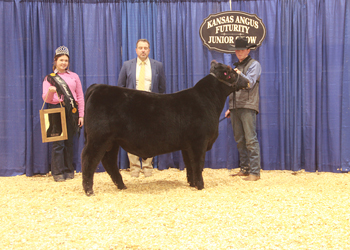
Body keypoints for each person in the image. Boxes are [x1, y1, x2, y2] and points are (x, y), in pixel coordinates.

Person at [117, 39, 166, 178]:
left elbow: (162, 88)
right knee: (130, 136)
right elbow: (121, 87)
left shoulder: (158, 66)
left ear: (149, 50)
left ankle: (148, 166)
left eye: (146, 48)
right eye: (140, 48)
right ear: (136, 50)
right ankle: (134, 167)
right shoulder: (127, 65)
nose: (143, 50)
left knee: (151, 135)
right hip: (132, 107)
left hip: (151, 106)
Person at [42, 46, 85, 182]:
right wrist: (52, 93)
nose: (63, 63)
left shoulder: (74, 76)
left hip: (72, 111)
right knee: (58, 143)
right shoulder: (49, 78)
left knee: (69, 143)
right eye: (61, 60)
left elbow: (80, 96)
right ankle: (57, 172)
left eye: (66, 60)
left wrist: (81, 115)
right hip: (56, 111)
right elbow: (45, 98)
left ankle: (68, 169)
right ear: (55, 61)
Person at [225, 37, 262, 181]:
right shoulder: (237, 66)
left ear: (248, 50)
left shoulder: (254, 65)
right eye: (237, 50)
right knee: (240, 139)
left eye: (242, 50)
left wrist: (238, 74)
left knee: (250, 140)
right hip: (235, 107)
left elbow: (250, 83)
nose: (239, 52)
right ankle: (245, 169)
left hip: (248, 106)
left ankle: (255, 172)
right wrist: (230, 107)